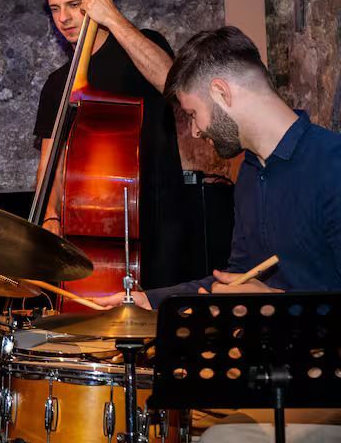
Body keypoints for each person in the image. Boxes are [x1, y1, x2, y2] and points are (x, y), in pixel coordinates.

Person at [96, 26, 341, 441]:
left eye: (193, 114)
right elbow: (236, 280)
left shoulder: (332, 166)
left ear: (222, 92)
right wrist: (148, 302)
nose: (194, 131)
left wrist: (280, 307)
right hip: (274, 374)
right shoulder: (250, 175)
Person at [32, 0, 187, 289]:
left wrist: (112, 17)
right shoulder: (58, 84)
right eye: (55, 9)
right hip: (94, 233)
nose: (63, 18)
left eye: (74, 5)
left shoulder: (141, 45)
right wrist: (50, 216)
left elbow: (171, 83)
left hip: (159, 225)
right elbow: (50, 163)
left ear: (95, 0)